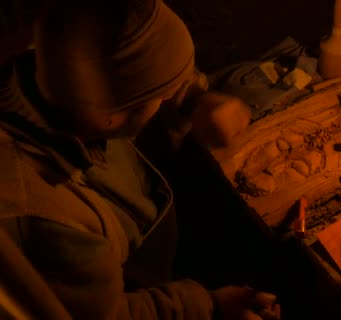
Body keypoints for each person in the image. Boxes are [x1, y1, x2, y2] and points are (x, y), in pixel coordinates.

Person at [0, 0, 281, 319]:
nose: (168, 98)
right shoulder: (49, 218)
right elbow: (111, 315)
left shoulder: (48, 61)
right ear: (112, 118)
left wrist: (192, 99)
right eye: (163, 95)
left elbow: (129, 74)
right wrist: (208, 306)